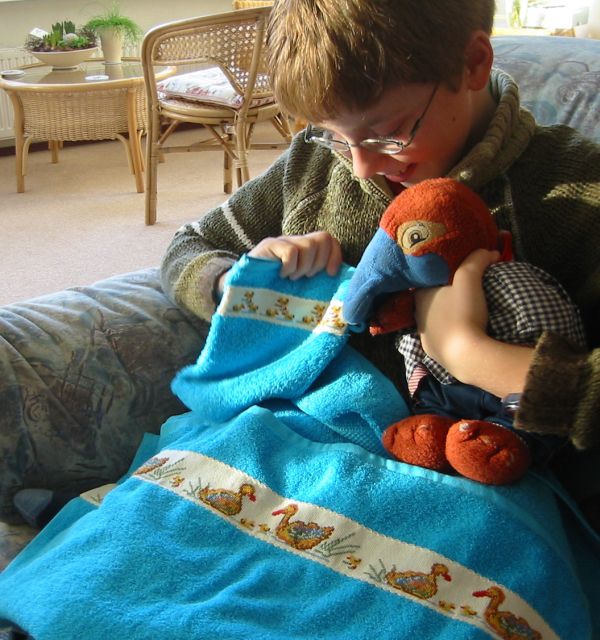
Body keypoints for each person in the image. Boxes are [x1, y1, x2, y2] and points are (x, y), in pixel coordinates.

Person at [159, 1, 593, 526]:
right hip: (293, 474)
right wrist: (243, 278)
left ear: (473, 63)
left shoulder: (579, 191)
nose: (362, 166)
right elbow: (188, 247)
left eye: (390, 132)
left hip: (471, 506)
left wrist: (469, 353)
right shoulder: (315, 163)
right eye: (336, 135)